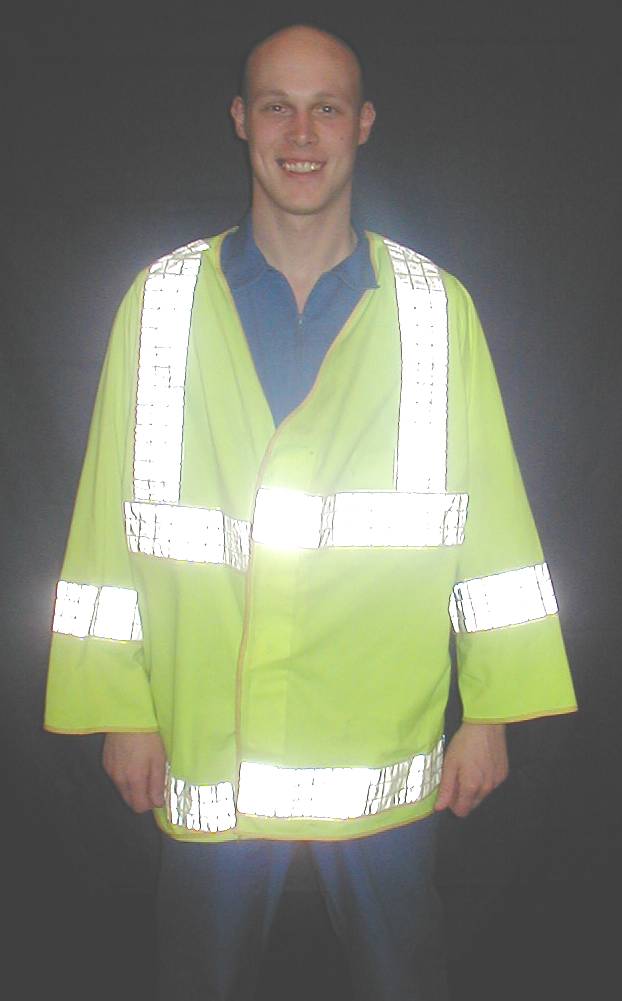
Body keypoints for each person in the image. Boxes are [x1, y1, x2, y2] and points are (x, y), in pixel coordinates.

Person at [45, 22, 577, 1001]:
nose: (302, 133)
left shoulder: (435, 308)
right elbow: (106, 526)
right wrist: (118, 706)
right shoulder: (158, 303)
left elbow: (494, 518)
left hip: (380, 747)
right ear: (241, 120)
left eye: (325, 107)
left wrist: (493, 709)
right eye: (278, 107)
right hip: (207, 742)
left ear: (362, 123)